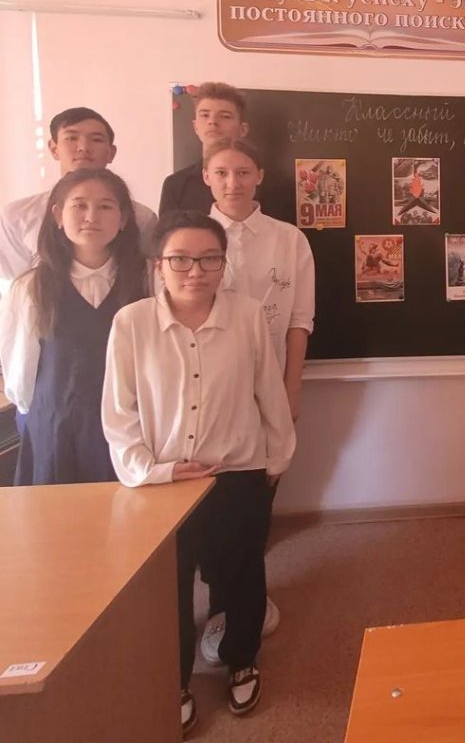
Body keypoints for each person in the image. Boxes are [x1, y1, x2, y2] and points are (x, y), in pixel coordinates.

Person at [102, 211, 296, 731]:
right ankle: (177, 679)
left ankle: (242, 659)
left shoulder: (247, 315)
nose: (196, 271)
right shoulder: (132, 323)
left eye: (210, 259)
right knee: (171, 584)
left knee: (242, 573)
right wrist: (150, 470)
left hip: (236, 469)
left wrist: (277, 458)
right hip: (163, 479)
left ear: (223, 264)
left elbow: (268, 389)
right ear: (158, 265)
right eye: (181, 259)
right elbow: (119, 413)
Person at [198, 137, 315, 664]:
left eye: (243, 172)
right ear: (207, 176)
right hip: (207, 389)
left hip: (267, 388)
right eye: (222, 172)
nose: (233, 183)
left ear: (260, 176)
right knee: (211, 501)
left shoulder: (289, 239)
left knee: (258, 498)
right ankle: (222, 603)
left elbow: (299, 321)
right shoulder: (190, 239)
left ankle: (247, 594)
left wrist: (290, 390)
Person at [0, 169, 148, 484]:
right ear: (58, 215)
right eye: (79, 205)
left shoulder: (148, 279)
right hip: (56, 427)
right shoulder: (30, 287)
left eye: (105, 206)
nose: (91, 216)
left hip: (130, 427)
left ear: (123, 218)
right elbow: (20, 375)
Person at [0, 107, 156, 295]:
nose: (83, 148)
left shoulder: (141, 217)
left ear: (111, 152)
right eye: (71, 138)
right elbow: (18, 286)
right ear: (54, 148)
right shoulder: (17, 216)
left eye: (96, 140)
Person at [159, 82, 249, 216]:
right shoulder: (176, 185)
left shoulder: (260, 183)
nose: (213, 122)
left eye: (225, 116)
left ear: (243, 129)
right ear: (195, 127)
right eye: (205, 115)